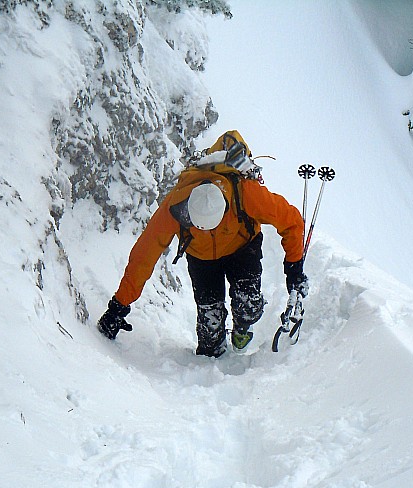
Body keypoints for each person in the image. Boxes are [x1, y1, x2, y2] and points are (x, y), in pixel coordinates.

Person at [97, 130, 308, 357]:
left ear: (225, 208)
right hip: (202, 258)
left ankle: (242, 326)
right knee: (210, 332)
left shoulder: (245, 193)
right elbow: (144, 255)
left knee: (248, 306)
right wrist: (119, 305)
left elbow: (291, 221)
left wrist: (294, 268)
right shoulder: (175, 206)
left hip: (242, 247)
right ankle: (213, 352)